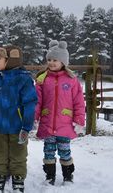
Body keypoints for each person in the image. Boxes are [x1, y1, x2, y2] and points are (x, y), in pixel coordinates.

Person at [0, 46, 37, 193]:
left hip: (18, 127)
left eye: (0, 59)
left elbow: (30, 103)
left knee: (18, 154)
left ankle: (18, 180)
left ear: (10, 61)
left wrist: (26, 126)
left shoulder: (24, 79)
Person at [35, 40, 85, 185]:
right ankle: (50, 176)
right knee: (48, 151)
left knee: (65, 151)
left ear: (63, 61)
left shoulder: (72, 80)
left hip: (65, 123)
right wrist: (34, 117)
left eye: (55, 60)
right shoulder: (42, 79)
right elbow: (37, 101)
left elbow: (79, 102)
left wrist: (79, 120)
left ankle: (68, 176)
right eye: (49, 59)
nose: (51, 62)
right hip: (48, 122)